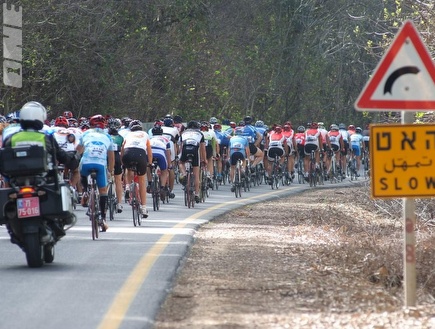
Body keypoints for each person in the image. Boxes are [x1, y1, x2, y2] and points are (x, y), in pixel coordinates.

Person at [2, 101, 79, 234]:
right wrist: (73, 158)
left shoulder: (12, 138)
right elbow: (62, 156)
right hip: (42, 181)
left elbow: (3, 160)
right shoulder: (45, 137)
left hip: (17, 182)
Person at [77, 114, 115, 232]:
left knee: (79, 171)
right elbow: (111, 157)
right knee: (103, 191)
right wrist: (111, 170)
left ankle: (84, 192)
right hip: (100, 164)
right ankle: (103, 219)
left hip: (86, 163)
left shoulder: (85, 134)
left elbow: (78, 151)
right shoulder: (108, 137)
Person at [121, 119, 153, 218]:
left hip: (127, 153)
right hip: (140, 154)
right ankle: (143, 208)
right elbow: (149, 151)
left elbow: (122, 148)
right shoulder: (145, 135)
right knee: (142, 181)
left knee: (128, 168)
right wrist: (150, 163)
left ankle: (127, 187)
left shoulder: (128, 135)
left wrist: (123, 163)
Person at [178, 120, 207, 203]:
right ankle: (197, 194)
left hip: (185, 148)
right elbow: (202, 149)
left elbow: (180, 146)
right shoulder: (200, 134)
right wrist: (204, 160)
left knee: (181, 163)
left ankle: (184, 174)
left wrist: (180, 156)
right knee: (196, 175)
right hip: (195, 151)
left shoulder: (183, 133)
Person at [149, 124, 172, 200]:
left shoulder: (149, 138)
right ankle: (162, 187)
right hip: (160, 154)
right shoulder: (166, 139)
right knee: (164, 171)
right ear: (161, 133)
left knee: (147, 167)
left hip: (150, 153)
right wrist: (169, 165)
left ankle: (149, 183)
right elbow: (168, 153)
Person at [107, 117, 124, 213]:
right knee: (118, 180)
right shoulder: (120, 138)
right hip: (117, 157)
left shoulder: (105, 136)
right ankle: (119, 203)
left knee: (105, 178)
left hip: (106, 157)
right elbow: (122, 151)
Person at [228, 127, 250, 192]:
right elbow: (247, 150)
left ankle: (232, 183)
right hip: (241, 153)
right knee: (244, 160)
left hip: (233, 153)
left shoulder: (232, 138)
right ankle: (242, 169)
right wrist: (248, 158)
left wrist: (228, 157)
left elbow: (229, 149)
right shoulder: (245, 139)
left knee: (232, 168)